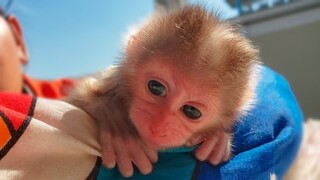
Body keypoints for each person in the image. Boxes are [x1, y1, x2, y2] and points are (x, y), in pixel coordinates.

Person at [0, 5, 303, 180]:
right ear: (133, 52)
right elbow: (91, 91)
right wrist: (109, 112)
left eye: (191, 110)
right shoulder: (104, 86)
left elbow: (268, 103)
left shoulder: (238, 118)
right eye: (156, 88)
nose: (159, 123)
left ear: (18, 38)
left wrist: (221, 128)